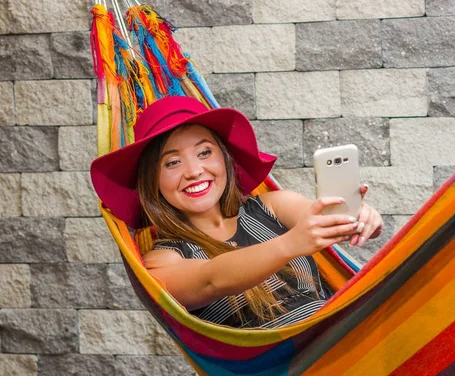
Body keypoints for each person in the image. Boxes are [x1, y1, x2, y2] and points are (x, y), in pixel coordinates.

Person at [91, 96, 383, 328]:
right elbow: (211, 279)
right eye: (172, 163)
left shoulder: (273, 207)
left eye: (204, 153)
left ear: (225, 159)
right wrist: (290, 244)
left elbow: (326, 221)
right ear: (152, 181)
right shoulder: (161, 261)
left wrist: (357, 217)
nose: (194, 172)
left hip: (346, 345)